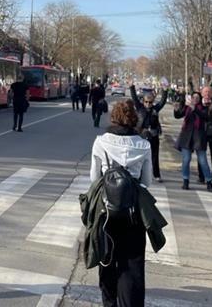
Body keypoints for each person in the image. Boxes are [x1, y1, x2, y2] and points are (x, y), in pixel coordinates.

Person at [89, 100, 153, 307]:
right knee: (132, 264)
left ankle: (109, 302)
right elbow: (147, 182)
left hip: (106, 210)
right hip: (133, 212)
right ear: (134, 119)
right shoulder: (144, 144)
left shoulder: (101, 142)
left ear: (113, 117)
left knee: (106, 258)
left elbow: (94, 177)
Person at [174, 91, 212, 191]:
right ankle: (185, 181)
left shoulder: (203, 108)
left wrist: (195, 109)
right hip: (186, 136)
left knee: (203, 161)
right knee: (186, 160)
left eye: (197, 97)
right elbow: (178, 115)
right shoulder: (187, 108)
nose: (195, 99)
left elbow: (205, 116)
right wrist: (176, 109)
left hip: (199, 137)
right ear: (191, 98)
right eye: (194, 97)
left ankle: (209, 182)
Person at [130, 81, 169, 183]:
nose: (148, 104)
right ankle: (138, 174)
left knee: (154, 156)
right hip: (141, 135)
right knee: (139, 156)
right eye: (146, 102)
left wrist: (165, 90)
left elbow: (162, 102)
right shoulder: (140, 108)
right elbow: (134, 98)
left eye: (150, 102)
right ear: (143, 101)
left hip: (153, 135)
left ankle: (156, 174)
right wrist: (131, 86)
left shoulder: (155, 109)